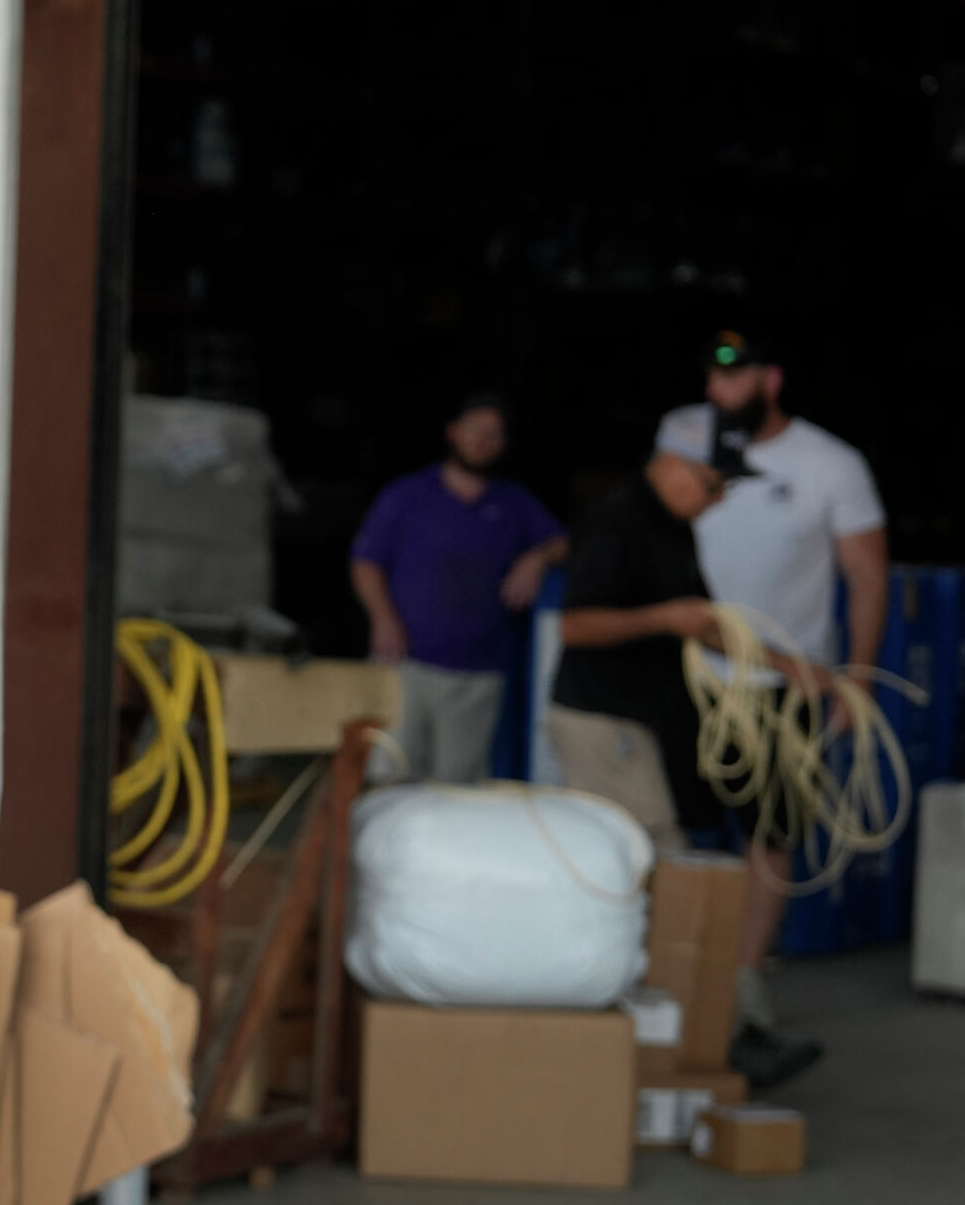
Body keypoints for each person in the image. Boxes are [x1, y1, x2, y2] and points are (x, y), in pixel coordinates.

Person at [547, 419, 826, 1086]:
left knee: (657, 873)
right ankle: (695, 1043)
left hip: (645, 723)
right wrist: (658, 620)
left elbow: (703, 624)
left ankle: (678, 1036)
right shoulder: (615, 523)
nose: (721, 497)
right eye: (714, 482)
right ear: (674, 465)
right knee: (663, 874)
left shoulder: (675, 527)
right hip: (603, 724)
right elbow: (576, 623)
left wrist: (793, 666)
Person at [657, 333, 883, 1073]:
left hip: (787, 684)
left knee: (771, 831)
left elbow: (866, 572)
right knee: (672, 822)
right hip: (686, 671)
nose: (721, 391)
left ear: (771, 379)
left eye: (738, 375)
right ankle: (665, 979)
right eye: (713, 376)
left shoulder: (831, 463)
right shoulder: (682, 433)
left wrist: (860, 674)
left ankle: (746, 987)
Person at [350, 394, 567, 782]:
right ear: (453, 432)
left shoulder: (513, 502)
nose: (483, 440)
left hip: (477, 672)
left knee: (457, 787)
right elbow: (366, 562)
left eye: (494, 434)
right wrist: (382, 618)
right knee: (387, 776)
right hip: (403, 663)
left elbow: (564, 543)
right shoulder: (408, 494)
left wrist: (537, 558)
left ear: (503, 444)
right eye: (475, 430)